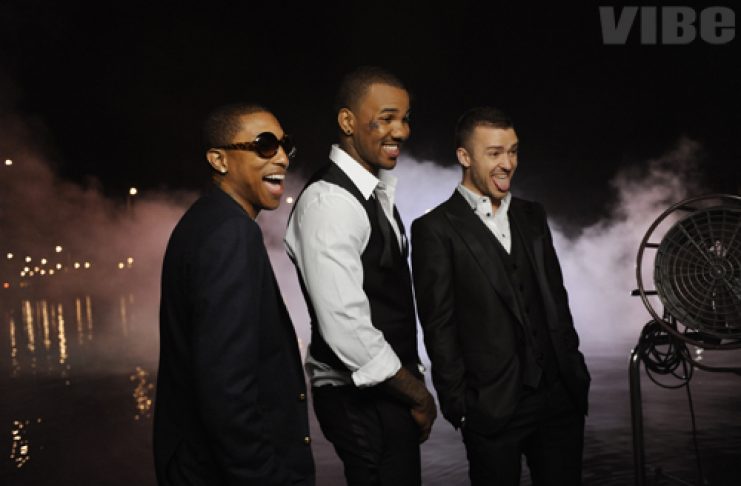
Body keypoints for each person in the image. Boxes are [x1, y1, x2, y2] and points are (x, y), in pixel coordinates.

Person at [411, 106, 590, 485]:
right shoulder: (434, 229)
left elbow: (557, 301)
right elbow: (438, 326)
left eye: (513, 151)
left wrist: (574, 375)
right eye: (494, 153)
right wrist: (460, 407)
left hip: (559, 400)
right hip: (490, 410)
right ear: (464, 156)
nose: (507, 163)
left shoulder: (533, 215)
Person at [285, 66, 436, 486]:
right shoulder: (330, 202)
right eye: (386, 118)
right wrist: (419, 395)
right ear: (347, 121)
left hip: (386, 394)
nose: (401, 131)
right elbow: (346, 330)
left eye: (405, 119)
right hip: (360, 402)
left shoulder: (374, 191)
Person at [154, 103, 315, 486]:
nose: (282, 157)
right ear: (219, 160)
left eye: (285, 146)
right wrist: (266, 477)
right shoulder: (231, 233)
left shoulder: (205, 220)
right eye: (265, 145)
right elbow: (226, 391)